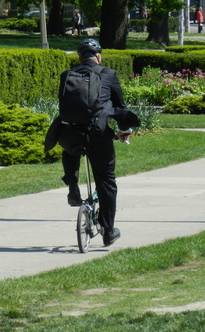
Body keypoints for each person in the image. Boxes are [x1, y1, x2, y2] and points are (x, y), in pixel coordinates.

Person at [45, 38, 140, 247]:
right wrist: (125, 131)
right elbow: (119, 106)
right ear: (99, 56)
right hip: (98, 134)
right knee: (106, 181)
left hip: (69, 133)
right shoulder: (108, 74)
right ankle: (108, 230)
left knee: (69, 151)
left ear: (79, 58)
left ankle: (73, 189)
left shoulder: (66, 75)